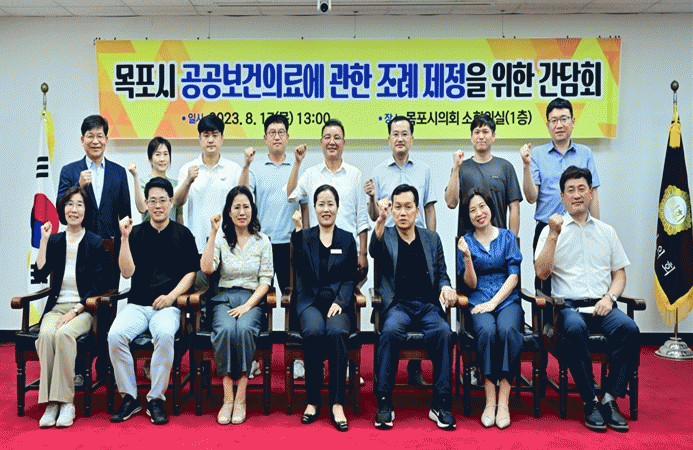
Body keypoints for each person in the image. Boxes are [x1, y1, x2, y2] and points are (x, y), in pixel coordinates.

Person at [535, 166, 639, 432]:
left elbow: (619, 274)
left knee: (629, 329)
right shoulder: (550, 231)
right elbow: (542, 272)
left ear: (591, 193)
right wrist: (554, 235)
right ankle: (590, 401)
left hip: (602, 305)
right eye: (570, 190)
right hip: (568, 308)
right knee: (573, 327)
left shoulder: (607, 231)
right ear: (562, 196)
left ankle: (610, 399)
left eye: (582, 189)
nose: (577, 195)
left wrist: (610, 297)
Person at [108, 177, 199, 425]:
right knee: (115, 335)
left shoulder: (183, 234)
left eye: (162, 200)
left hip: (167, 306)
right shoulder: (135, 233)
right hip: (137, 304)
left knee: (165, 335)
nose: (157, 206)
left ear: (171, 203)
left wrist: (171, 297)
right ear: (146, 204)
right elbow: (126, 272)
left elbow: (191, 273)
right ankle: (129, 397)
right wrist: (124, 239)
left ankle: (156, 399)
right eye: (152, 201)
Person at [370, 184, 457, 430]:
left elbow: (442, 274)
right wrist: (380, 221)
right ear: (392, 210)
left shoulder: (431, 238)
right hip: (398, 306)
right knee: (390, 332)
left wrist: (446, 287)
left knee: (444, 333)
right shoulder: (386, 235)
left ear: (417, 211)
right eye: (397, 207)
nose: (402, 212)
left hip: (428, 306)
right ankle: (384, 402)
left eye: (408, 207)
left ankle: (441, 403)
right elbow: (373, 250)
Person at [365, 115, 437, 387]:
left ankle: (415, 368)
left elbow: (429, 208)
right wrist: (372, 198)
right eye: (395, 134)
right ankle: (387, 371)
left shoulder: (425, 169)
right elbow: (375, 216)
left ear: (412, 138)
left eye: (404, 133)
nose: (400, 138)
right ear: (388, 139)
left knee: (422, 299)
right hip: (391, 246)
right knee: (395, 302)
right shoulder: (378, 171)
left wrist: (431, 243)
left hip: (419, 245)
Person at [34, 187, 106, 428]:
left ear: (86, 211)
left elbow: (98, 285)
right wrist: (44, 240)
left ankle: (66, 403)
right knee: (46, 335)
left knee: (63, 334)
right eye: (69, 204)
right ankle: (51, 403)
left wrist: (75, 310)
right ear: (63, 209)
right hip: (56, 307)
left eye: (79, 205)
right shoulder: (56, 240)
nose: (73, 210)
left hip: (83, 309)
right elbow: (41, 272)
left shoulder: (94, 242)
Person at [200, 185, 273, 425]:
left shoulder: (263, 241)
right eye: (237, 207)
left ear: (253, 209)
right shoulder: (221, 239)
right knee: (224, 330)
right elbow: (207, 268)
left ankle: (240, 397)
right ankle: (227, 397)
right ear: (229, 212)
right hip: (224, 298)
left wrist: (248, 306)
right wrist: (213, 233)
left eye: (246, 207)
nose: (242, 212)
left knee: (243, 330)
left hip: (252, 299)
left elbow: (266, 281)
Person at [291, 185, 357, 432]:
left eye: (330, 204)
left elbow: (351, 277)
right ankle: (313, 400)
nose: (326, 209)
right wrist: (298, 233)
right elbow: (298, 266)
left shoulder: (347, 239)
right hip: (310, 302)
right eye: (321, 204)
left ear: (337, 207)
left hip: (337, 303)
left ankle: (337, 402)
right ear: (315, 208)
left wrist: (341, 302)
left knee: (337, 332)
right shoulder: (305, 236)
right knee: (314, 332)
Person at [456, 188, 523, 429]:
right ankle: (489, 398)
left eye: (482, 206)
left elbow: (513, 276)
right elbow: (470, 284)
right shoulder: (466, 242)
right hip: (477, 301)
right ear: (468, 216)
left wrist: (493, 303)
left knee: (507, 330)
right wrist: (467, 257)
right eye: (472, 210)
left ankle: (503, 398)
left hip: (507, 300)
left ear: (491, 207)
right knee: (486, 331)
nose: (479, 213)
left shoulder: (507, 237)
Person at [520, 98, 601, 292]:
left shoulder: (585, 153)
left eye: (564, 119)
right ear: (547, 125)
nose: (559, 125)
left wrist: (596, 229)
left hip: (581, 227)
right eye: (554, 120)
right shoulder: (537, 154)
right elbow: (531, 197)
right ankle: (547, 314)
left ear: (573, 122)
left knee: (581, 280)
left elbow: (593, 196)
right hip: (546, 229)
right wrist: (526, 166)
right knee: (544, 284)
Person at [287, 118, 369, 283]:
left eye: (337, 138)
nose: (332, 142)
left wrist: (363, 254)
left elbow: (362, 218)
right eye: (327, 137)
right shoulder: (311, 174)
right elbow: (291, 195)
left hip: (347, 250)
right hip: (316, 252)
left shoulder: (355, 174)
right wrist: (297, 162)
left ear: (343, 143)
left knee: (345, 293)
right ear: (321, 142)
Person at [239, 114, 304, 292]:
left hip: (290, 243)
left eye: (281, 133)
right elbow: (242, 195)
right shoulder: (255, 167)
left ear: (287, 137)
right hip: (261, 242)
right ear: (265, 138)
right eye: (272, 133)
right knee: (260, 297)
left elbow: (305, 207)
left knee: (292, 296)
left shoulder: (297, 166)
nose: (277, 137)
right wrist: (245, 166)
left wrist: (304, 238)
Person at [444, 113, 522, 238]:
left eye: (485, 132)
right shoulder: (461, 168)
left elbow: (514, 208)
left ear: (493, 136)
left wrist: (511, 241)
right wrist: (455, 168)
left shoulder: (505, 167)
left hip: (499, 240)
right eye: (476, 132)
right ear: (471, 137)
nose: (481, 136)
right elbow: (451, 203)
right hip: (468, 242)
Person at [174, 114, 242, 254]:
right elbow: (177, 202)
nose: (210, 140)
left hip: (228, 243)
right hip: (197, 243)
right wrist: (188, 181)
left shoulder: (234, 169)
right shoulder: (187, 169)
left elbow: (243, 203)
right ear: (200, 139)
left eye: (215, 135)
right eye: (206, 135)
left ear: (222, 139)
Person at [57, 114, 131, 240]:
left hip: (111, 244)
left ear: (106, 140)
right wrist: (78, 186)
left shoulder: (119, 172)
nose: (95, 141)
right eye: (90, 136)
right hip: (79, 242)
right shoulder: (68, 171)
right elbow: (61, 213)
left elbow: (125, 215)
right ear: (82, 140)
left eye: (99, 136)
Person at [129, 136, 184, 224]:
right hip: (148, 231)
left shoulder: (175, 184)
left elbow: (179, 215)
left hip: (172, 231)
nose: (162, 159)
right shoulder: (143, 183)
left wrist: (183, 232)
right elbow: (142, 208)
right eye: (158, 154)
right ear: (150, 159)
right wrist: (135, 176)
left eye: (165, 154)